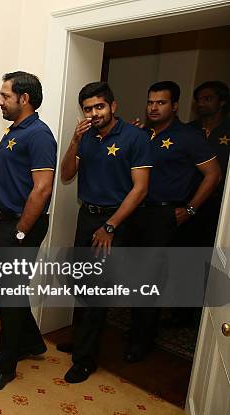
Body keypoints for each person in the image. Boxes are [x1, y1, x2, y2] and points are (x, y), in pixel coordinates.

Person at [59, 82, 151, 383]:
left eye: (99, 106)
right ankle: (81, 340)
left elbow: (140, 188)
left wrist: (111, 226)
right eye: (88, 109)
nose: (94, 113)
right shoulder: (86, 137)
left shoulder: (135, 137)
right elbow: (66, 174)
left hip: (115, 221)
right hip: (87, 216)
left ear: (113, 106)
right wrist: (74, 140)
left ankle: (85, 361)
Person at [127, 81, 220, 362]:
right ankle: (133, 332)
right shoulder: (142, 134)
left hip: (164, 215)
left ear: (175, 106)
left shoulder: (188, 136)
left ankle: (142, 340)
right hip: (135, 212)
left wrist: (190, 209)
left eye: (161, 102)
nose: (154, 107)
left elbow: (213, 175)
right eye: (151, 102)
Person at [0, 71, 56, 393]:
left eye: (5, 96)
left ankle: (4, 365)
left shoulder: (38, 135)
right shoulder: (16, 131)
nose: (0, 101)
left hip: (24, 224)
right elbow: (11, 181)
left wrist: (21, 231)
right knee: (10, 290)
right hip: (7, 219)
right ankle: (32, 342)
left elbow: (42, 189)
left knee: (8, 294)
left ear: (24, 99)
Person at [187, 81, 229, 246]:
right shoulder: (189, 129)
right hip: (187, 200)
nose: (201, 103)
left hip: (219, 205)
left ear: (222, 102)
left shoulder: (228, 129)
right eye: (199, 99)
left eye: (208, 98)